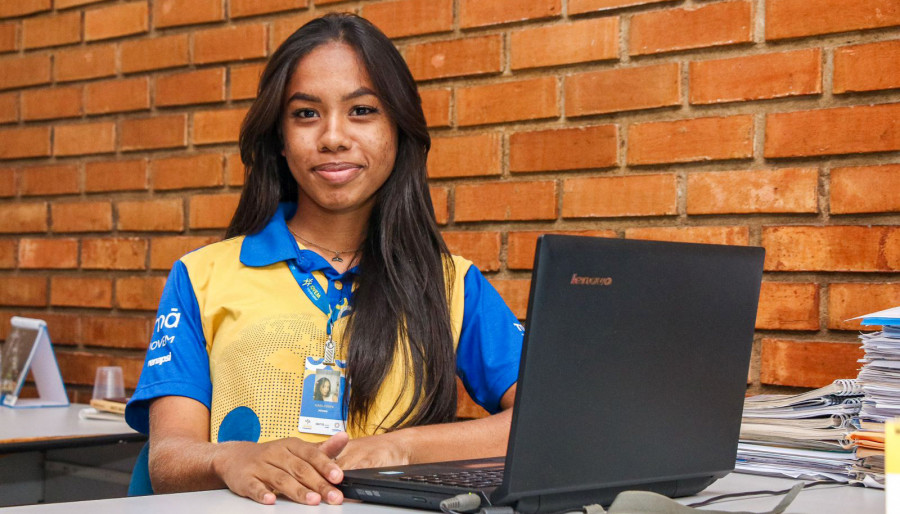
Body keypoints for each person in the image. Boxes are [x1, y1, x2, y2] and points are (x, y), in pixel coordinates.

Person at [124, 12, 523, 507]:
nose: (333, 136)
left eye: (362, 110)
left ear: (398, 130)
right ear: (280, 139)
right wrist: (230, 459)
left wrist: (400, 447)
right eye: (306, 114)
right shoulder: (202, 275)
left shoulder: (452, 284)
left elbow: (547, 419)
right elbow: (167, 459)